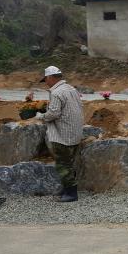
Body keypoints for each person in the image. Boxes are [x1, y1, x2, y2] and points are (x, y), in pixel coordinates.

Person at [38, 66, 84, 202]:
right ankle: (67, 189)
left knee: (63, 164)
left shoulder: (56, 93)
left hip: (62, 135)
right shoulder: (71, 89)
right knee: (69, 163)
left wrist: (40, 116)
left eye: (46, 79)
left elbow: (54, 113)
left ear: (50, 77)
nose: (46, 82)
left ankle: (71, 193)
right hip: (74, 132)